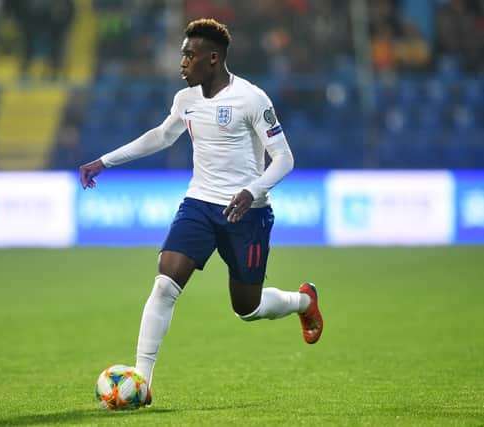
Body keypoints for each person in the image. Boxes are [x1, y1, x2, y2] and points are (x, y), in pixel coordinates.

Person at [79, 18, 323, 407]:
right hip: (199, 204)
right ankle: (142, 380)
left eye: (189, 55)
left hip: (248, 213)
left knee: (248, 307)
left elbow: (284, 159)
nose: (182, 62)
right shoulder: (186, 100)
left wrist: (252, 190)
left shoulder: (251, 99)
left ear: (213, 58)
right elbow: (161, 136)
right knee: (164, 283)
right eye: (182, 54)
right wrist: (105, 161)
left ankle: (304, 303)